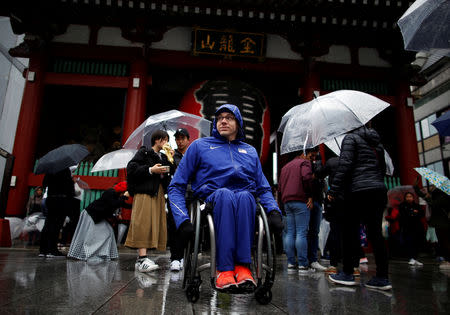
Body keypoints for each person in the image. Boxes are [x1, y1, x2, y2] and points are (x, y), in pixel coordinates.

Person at [168, 104, 283, 291]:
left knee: (247, 196)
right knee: (225, 195)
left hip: (244, 201)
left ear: (238, 123)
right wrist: (182, 220)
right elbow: (176, 186)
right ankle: (224, 269)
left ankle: (243, 267)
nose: (223, 120)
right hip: (213, 200)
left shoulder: (250, 151)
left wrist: (274, 211)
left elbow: (263, 188)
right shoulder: (199, 146)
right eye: (219, 117)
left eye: (229, 117)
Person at [328, 124, 392, 291]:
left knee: (349, 232)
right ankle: (382, 276)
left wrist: (333, 189)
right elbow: (383, 169)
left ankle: (348, 273)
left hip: (358, 191)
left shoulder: (350, 138)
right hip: (378, 190)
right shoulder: (377, 144)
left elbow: (345, 165)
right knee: (375, 234)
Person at [125, 130, 174, 273]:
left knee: (154, 223)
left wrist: (170, 158)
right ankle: (141, 258)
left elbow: (170, 174)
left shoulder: (164, 157)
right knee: (143, 222)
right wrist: (150, 170)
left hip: (157, 192)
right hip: (144, 192)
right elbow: (131, 168)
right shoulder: (144, 152)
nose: (166, 142)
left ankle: (144, 257)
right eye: (164, 140)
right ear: (157, 140)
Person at [68, 181, 129, 261]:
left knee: (108, 233)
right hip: (92, 215)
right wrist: (124, 197)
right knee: (91, 235)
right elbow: (114, 204)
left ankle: (101, 253)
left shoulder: (115, 195)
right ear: (122, 191)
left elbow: (121, 204)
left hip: (97, 216)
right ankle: (89, 253)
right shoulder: (110, 192)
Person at [278, 149, 315, 273]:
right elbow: (306, 177)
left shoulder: (285, 167)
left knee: (290, 233)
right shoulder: (304, 163)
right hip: (300, 200)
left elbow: (280, 186)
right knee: (301, 232)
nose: (311, 158)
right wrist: (310, 195)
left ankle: (290, 263)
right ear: (303, 153)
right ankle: (303, 264)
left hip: (287, 201)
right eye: (310, 155)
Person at [413, 178, 450, 270]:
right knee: (441, 242)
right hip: (439, 222)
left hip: (444, 222)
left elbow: (434, 204)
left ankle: (448, 260)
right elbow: (425, 196)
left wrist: (429, 198)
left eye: (435, 185)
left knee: (445, 242)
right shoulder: (437, 194)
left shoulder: (443, 195)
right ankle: (446, 259)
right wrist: (416, 187)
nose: (432, 186)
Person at [167, 128, 191, 272]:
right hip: (175, 194)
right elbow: (167, 173)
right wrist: (169, 160)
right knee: (173, 225)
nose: (179, 141)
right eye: (177, 138)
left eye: (182, 138)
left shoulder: (192, 155)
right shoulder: (171, 155)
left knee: (188, 227)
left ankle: (184, 256)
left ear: (188, 140)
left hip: (191, 194)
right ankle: (175, 258)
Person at [39, 168, 75, 258]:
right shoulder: (65, 170)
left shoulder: (50, 171)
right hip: (61, 200)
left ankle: (43, 250)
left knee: (48, 224)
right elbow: (70, 190)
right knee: (56, 225)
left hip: (50, 199)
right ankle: (52, 249)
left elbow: (44, 184)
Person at [309, 153, 328, 271]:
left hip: (315, 201)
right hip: (312, 201)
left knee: (313, 231)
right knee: (311, 231)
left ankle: (311, 259)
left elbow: (324, 187)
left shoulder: (319, 170)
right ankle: (311, 259)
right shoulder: (307, 167)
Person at [399, 192, 425, 266]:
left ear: (413, 198)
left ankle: (416, 258)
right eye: (407, 196)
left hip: (417, 227)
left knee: (417, 242)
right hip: (407, 227)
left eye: (410, 196)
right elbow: (404, 215)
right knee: (409, 242)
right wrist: (412, 212)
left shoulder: (417, 205)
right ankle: (411, 258)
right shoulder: (402, 205)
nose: (409, 198)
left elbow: (421, 214)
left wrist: (414, 213)